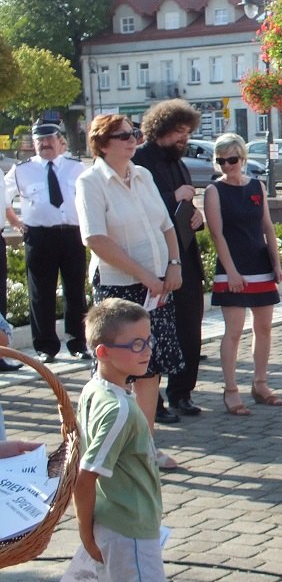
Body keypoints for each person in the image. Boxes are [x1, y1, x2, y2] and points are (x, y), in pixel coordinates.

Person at [76, 114, 185, 469]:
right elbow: (96, 239)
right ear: (102, 144)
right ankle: (108, 447)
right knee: (117, 369)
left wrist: (173, 265)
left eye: (133, 133)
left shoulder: (143, 175)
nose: (132, 140)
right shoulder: (91, 181)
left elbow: (166, 225)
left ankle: (145, 447)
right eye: (123, 136)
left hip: (157, 286)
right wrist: (143, 275)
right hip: (119, 287)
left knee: (149, 367)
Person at [61, 299, 165, 582]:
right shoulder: (120, 410)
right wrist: (85, 535)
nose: (147, 350)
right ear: (103, 352)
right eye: (136, 345)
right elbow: (86, 476)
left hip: (115, 522)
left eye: (148, 340)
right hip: (128, 530)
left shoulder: (94, 388)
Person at [134, 99, 205, 422]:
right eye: (178, 131)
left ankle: (182, 393)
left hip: (185, 256)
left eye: (187, 132)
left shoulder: (179, 162)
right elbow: (141, 207)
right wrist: (172, 197)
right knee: (155, 331)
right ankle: (154, 401)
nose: (183, 138)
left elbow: (184, 208)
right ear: (160, 128)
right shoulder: (140, 161)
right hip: (154, 259)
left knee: (189, 327)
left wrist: (196, 217)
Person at [203, 133, 282, 416]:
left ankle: (260, 383)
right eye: (221, 160)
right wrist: (232, 272)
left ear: (242, 158)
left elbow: (267, 227)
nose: (227, 165)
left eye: (232, 159)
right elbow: (217, 234)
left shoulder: (256, 186)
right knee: (234, 330)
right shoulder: (214, 191)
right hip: (232, 267)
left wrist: (276, 263)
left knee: (264, 327)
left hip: (259, 264)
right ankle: (231, 389)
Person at [4, 120, 90, 368]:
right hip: (39, 236)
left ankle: (77, 343)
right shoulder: (22, 170)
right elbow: (3, 197)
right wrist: (16, 222)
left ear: (60, 141)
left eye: (49, 139)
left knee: (75, 291)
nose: (44, 144)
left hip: (72, 234)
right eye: (39, 140)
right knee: (40, 293)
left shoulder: (76, 167)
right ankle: (45, 347)